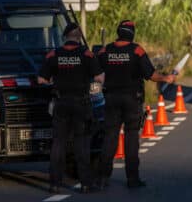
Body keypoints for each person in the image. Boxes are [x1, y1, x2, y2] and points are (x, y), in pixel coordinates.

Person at [97, 20, 175, 189]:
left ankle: (103, 178)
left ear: (118, 32)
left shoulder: (105, 50)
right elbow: (151, 74)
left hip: (110, 98)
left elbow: (95, 72)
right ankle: (133, 180)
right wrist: (165, 78)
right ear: (132, 34)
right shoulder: (137, 50)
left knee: (110, 137)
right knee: (131, 138)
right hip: (132, 100)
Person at [38, 22, 105, 194]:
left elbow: (41, 80)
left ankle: (55, 184)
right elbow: (99, 78)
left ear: (66, 36)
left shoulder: (54, 54)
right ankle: (85, 184)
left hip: (60, 104)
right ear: (79, 36)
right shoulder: (87, 54)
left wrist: (54, 82)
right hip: (81, 104)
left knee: (58, 144)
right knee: (81, 144)